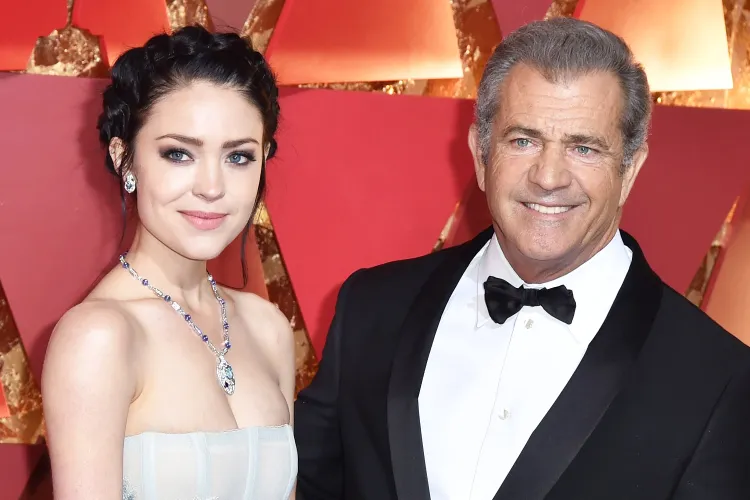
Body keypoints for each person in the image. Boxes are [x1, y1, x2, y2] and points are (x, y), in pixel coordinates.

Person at [294, 17, 750, 500]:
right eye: (523, 141)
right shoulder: (371, 309)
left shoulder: (716, 379)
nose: (549, 177)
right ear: (480, 155)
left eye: (583, 148)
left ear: (630, 171)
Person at [42, 26, 297, 499]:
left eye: (239, 157)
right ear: (124, 159)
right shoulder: (99, 337)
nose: (212, 187)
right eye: (179, 154)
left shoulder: (269, 328)